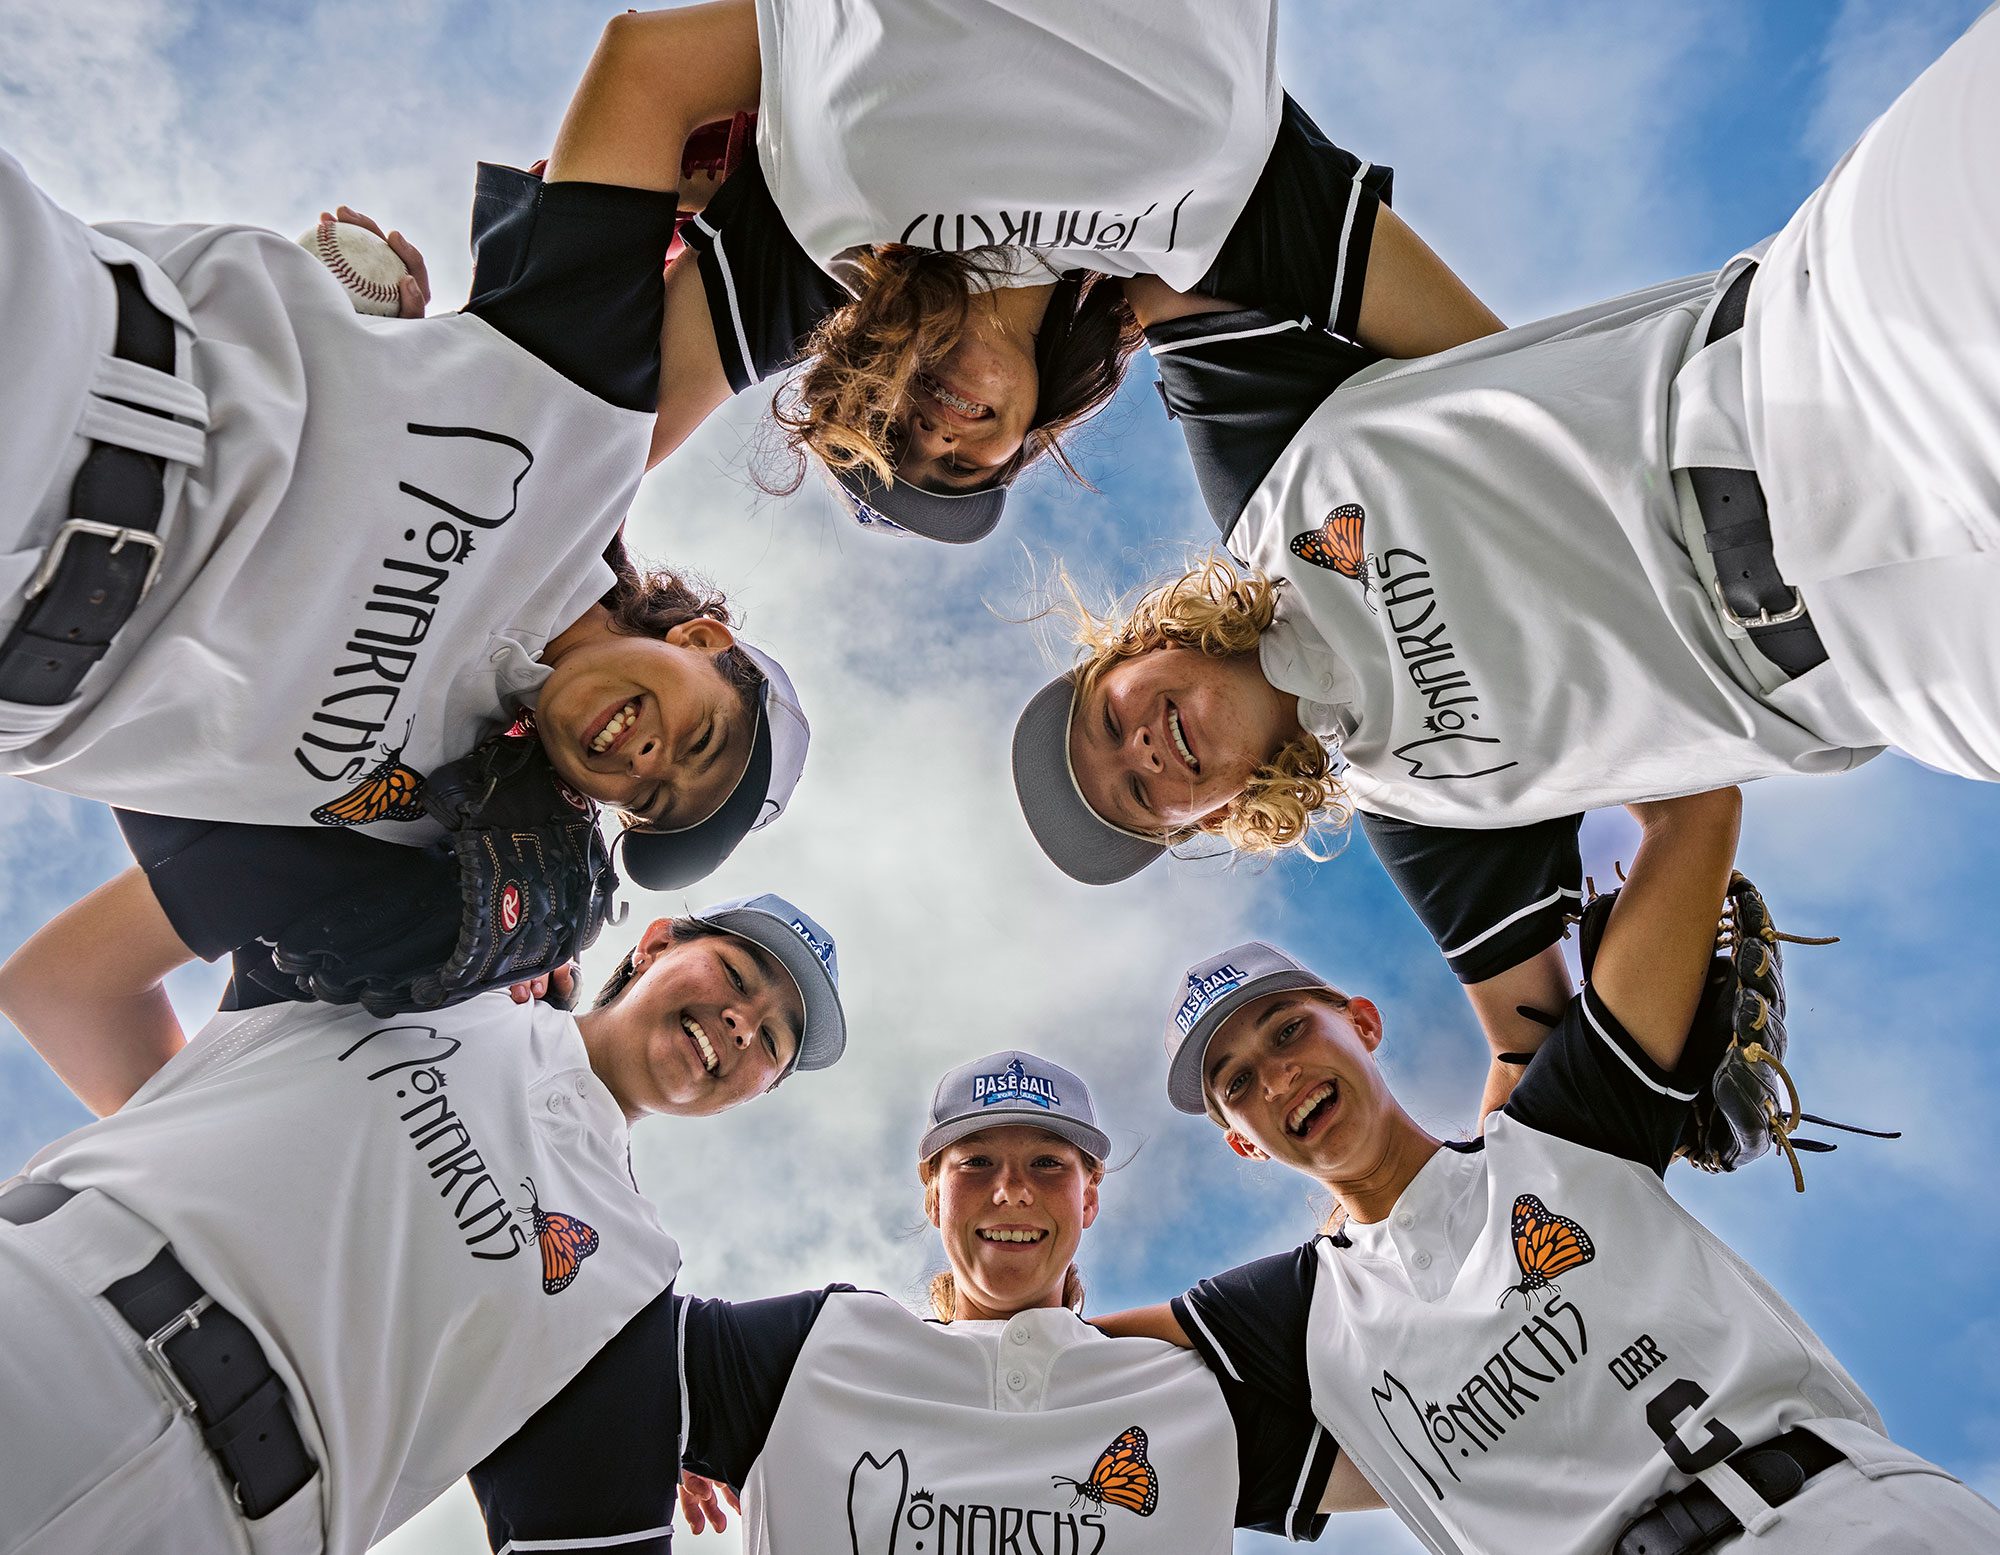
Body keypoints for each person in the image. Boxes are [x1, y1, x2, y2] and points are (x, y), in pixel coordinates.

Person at [1012, 9, 2000, 1106]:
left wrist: (1010, 379)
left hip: (1813, 348)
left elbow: (1163, 236)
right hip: (1899, 656)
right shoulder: (1415, 811)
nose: (1144, 753)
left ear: (1136, 645)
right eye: (1141, 800)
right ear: (1209, 820)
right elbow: (1530, 1062)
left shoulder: (1263, 468)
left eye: (1110, 720)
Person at [0, 7, 811, 894]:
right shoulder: (586, 428)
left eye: (651, 803)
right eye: (701, 741)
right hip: (59, 379)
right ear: (700, 637)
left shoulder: (426, 815)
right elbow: (655, 68)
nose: (653, 763)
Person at [1094, 787, 2000, 1554]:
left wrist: (1460, 739)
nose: (1278, 1074)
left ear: (1362, 1023)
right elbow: (1039, 1376)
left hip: (1847, 1516)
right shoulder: (1294, 1319)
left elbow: (1695, 815)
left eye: (1289, 1028)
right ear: (1243, 1140)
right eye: (1238, 1083)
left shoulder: (1556, 1130)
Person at [0, 885, 847, 1555]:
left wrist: (658, 1421)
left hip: (215, 1528)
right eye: (738, 976)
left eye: (774, 1040)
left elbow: (584, 1513)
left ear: (758, 1090)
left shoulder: (633, 1278)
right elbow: (61, 987)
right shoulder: (440, 964)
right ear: (657, 941)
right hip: (42, 1318)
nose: (744, 1022)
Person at [563, 0, 1496, 542]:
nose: (932, 441)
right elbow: (1503, 385)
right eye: (962, 473)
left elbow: (581, 455)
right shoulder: (1208, 231)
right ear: (1026, 435)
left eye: (890, 442)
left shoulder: (822, 227)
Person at [468, 1050, 1356, 1554]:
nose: (1012, 1192)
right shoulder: (815, 1346)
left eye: (1049, 1164)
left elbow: (1433, 1439)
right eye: (976, 1163)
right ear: (932, 1195)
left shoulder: (1184, 1394)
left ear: (1090, 1198)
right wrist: (536, 1033)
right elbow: (560, 1334)